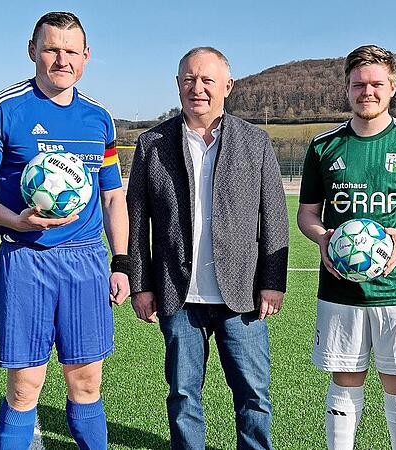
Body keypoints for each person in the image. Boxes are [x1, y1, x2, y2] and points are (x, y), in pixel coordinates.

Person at [0, 11, 129, 450]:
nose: (61, 60)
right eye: (51, 49)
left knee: (87, 382)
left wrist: (122, 262)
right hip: (26, 259)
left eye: (71, 51)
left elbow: (112, 196)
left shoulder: (99, 119)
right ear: (33, 51)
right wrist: (16, 220)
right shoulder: (3, 109)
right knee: (25, 387)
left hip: (86, 261)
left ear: (86, 56)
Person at [126, 47, 289, 450]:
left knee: (254, 397)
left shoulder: (255, 142)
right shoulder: (152, 143)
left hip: (242, 298)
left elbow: (274, 215)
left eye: (207, 80)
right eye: (188, 79)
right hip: (178, 297)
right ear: (178, 84)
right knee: (183, 397)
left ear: (227, 86)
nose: (197, 88)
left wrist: (272, 282)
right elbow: (137, 220)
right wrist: (140, 284)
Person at [297, 45, 396, 450]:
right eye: (359, 84)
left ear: (392, 87)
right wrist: (323, 237)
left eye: (377, 84)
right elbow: (307, 214)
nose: (368, 91)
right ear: (347, 88)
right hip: (341, 289)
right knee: (345, 378)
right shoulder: (324, 147)